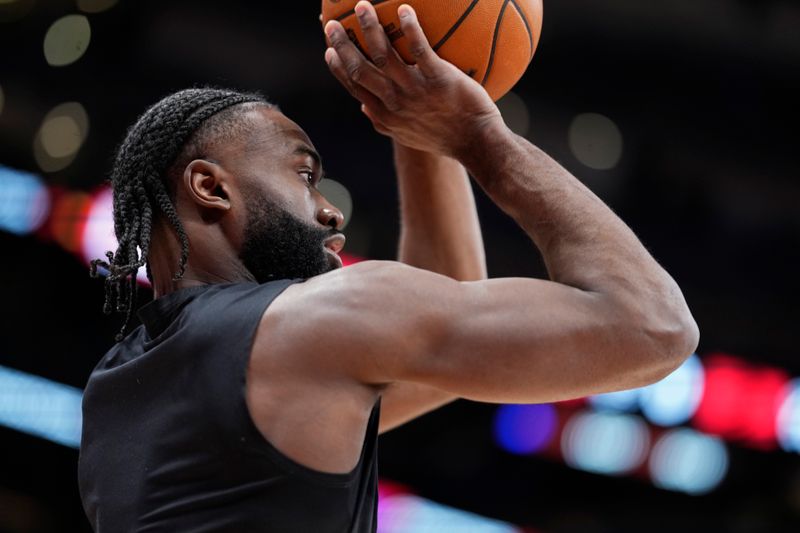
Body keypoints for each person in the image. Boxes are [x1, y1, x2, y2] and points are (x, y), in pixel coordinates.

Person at [78, 2, 699, 532]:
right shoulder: (306, 329)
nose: (329, 212)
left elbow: (440, 317)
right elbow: (654, 325)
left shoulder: (114, 392)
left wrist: (415, 123)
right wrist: (478, 136)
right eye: (304, 176)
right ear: (211, 188)